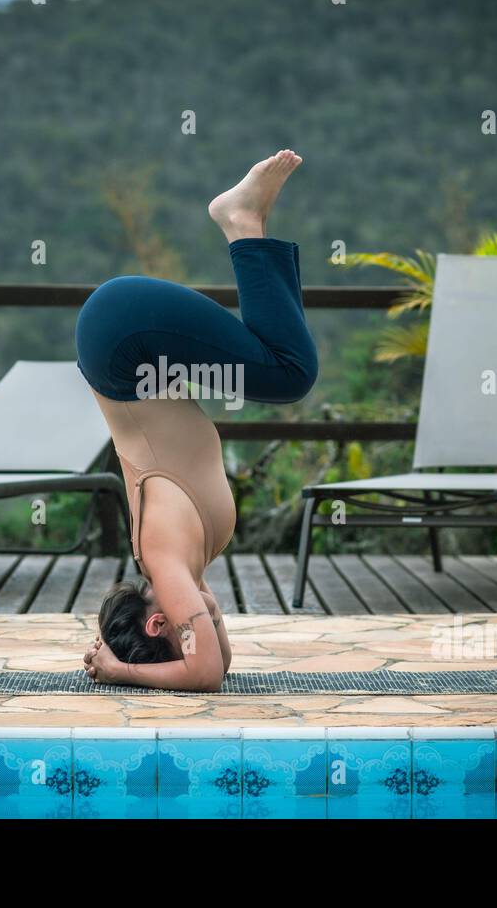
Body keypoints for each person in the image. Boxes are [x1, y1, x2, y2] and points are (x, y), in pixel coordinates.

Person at [75, 149, 318, 691]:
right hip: (133, 355)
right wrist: (199, 624)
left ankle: (241, 221)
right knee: (284, 366)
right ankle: (247, 223)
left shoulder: (163, 559)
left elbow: (203, 672)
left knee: (289, 373)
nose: (203, 618)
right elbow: (219, 664)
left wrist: (119, 669)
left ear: (158, 624)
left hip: (121, 341)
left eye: (190, 628)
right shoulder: (186, 570)